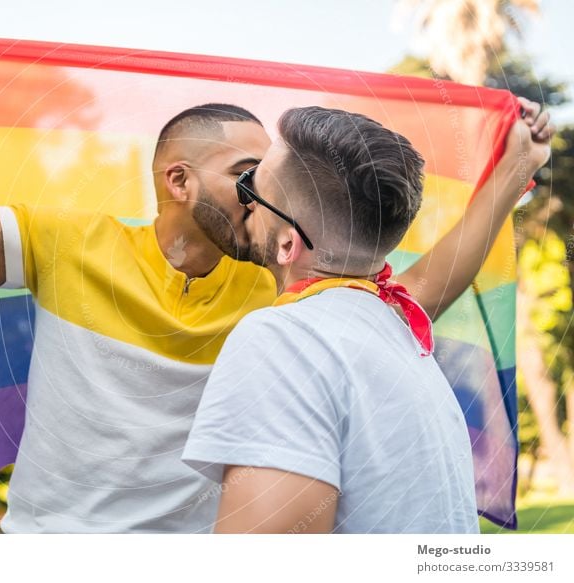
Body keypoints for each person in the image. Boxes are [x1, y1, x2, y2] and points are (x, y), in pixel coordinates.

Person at [0, 96, 551, 532]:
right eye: (246, 174)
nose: (260, 194)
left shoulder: (291, 295)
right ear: (178, 180)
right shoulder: (67, 245)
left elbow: (421, 291)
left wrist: (513, 169)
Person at [181, 105, 551, 533]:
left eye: (251, 187)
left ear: (288, 243)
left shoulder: (285, 341)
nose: (243, 203)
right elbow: (438, 280)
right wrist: (516, 166)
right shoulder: (395, 331)